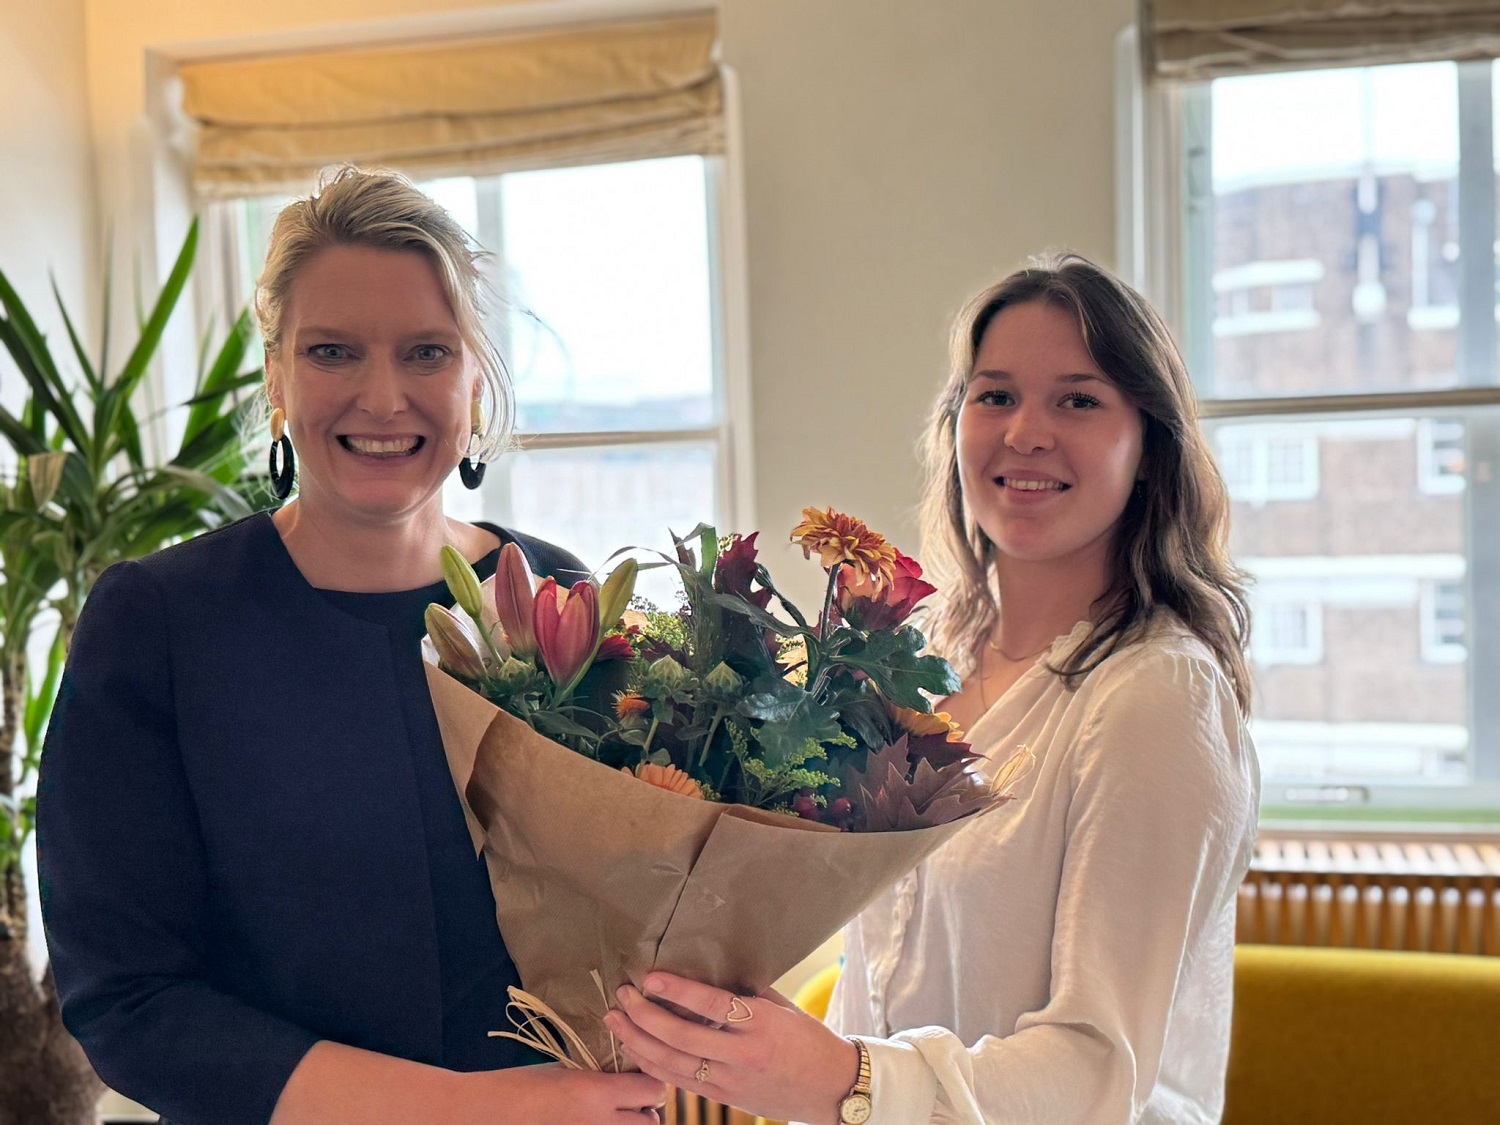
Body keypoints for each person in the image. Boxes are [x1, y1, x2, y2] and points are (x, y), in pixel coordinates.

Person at [37, 167, 666, 1125]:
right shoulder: (156, 624)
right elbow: (127, 1000)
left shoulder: (558, 599)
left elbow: (642, 902)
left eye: (426, 352)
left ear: (474, 379)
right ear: (277, 379)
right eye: (332, 351)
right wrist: (467, 1110)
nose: (382, 396)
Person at [605, 253, 1260, 1124]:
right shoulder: (921, 664)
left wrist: (844, 1079)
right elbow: (876, 993)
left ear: (1149, 446)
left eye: (1078, 398)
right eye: (994, 395)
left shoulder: (1154, 695)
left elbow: (1102, 1072)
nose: (1026, 431)